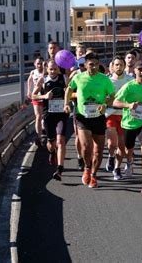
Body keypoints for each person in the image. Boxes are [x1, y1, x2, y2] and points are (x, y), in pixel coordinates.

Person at [64, 53, 115, 188]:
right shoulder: (78, 77)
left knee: (98, 150)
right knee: (86, 146)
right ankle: (87, 168)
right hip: (82, 116)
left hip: (98, 117)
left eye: (96, 64)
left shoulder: (104, 79)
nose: (94, 67)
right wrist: (66, 103)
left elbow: (112, 95)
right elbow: (69, 89)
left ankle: (94, 174)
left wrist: (105, 104)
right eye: (91, 64)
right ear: (85, 65)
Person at [113, 60, 142, 193]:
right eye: (139, 70)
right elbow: (115, 102)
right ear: (135, 71)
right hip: (129, 124)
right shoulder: (129, 86)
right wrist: (128, 105)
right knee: (128, 150)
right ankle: (129, 161)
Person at [33, 60, 68, 180]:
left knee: (61, 141)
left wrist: (67, 96)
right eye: (50, 69)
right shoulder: (43, 80)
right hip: (48, 114)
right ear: (47, 69)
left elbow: (71, 91)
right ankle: (52, 152)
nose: (53, 71)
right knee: (51, 143)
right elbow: (33, 95)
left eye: (55, 69)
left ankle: (59, 169)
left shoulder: (64, 78)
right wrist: (44, 96)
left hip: (62, 113)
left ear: (58, 69)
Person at [105, 56, 133, 180]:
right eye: (116, 65)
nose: (118, 67)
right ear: (112, 67)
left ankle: (117, 168)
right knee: (112, 143)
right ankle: (111, 156)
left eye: (121, 64)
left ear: (124, 66)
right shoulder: (107, 81)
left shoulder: (130, 80)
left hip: (125, 115)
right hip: (111, 113)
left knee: (122, 146)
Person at [27, 57, 46, 145]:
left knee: (44, 117)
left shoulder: (47, 71)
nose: (39, 65)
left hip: (46, 96)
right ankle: (39, 136)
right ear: (35, 64)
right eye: (38, 63)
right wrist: (29, 91)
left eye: (41, 63)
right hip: (36, 96)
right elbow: (29, 80)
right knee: (38, 116)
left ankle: (44, 127)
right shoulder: (33, 72)